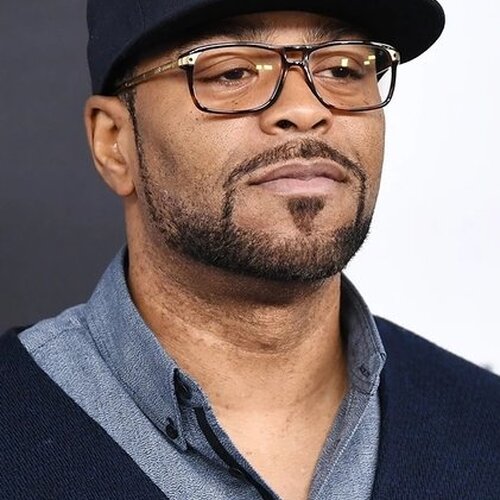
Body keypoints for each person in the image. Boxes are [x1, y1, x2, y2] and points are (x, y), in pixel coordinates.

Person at [1, 0, 498, 499]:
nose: (306, 108)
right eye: (232, 72)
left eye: (343, 69)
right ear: (114, 142)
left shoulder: (485, 426)